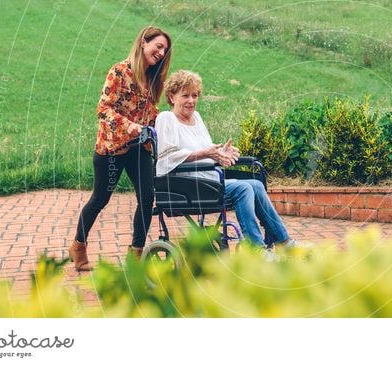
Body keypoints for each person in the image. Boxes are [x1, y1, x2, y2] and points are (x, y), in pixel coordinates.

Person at [154, 70, 297, 255]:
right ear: (172, 97)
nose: (191, 100)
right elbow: (167, 158)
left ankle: (285, 243)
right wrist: (207, 153)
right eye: (185, 95)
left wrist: (221, 153)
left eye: (195, 95)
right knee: (243, 188)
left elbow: (205, 150)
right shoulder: (166, 119)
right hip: (185, 186)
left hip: (208, 180)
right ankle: (257, 250)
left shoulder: (196, 118)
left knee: (256, 185)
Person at [70, 26, 173, 271]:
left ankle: (135, 257)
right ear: (143, 43)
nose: (161, 53)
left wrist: (165, 124)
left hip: (139, 149)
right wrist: (130, 126)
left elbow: (150, 112)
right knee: (100, 199)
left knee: (147, 198)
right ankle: (78, 246)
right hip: (112, 148)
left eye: (165, 50)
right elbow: (103, 109)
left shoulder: (153, 79)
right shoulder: (119, 71)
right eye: (158, 46)